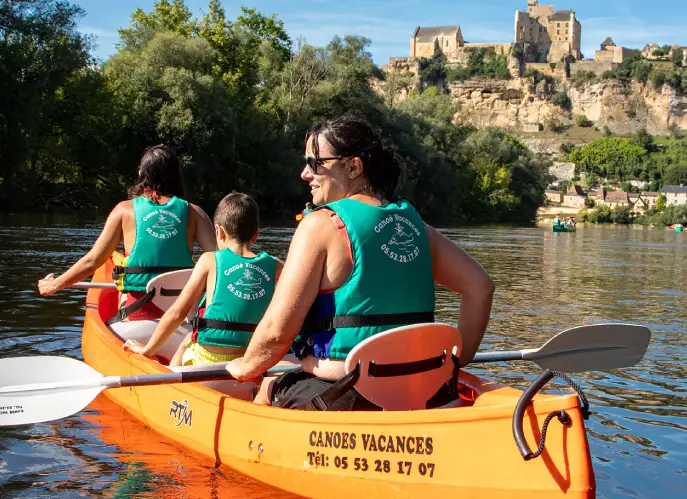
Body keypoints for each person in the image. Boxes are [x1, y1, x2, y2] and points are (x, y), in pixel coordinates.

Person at [224, 113, 495, 410]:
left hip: (348, 396)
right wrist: (459, 359)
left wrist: (247, 366)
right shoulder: (416, 226)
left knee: (267, 386)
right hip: (426, 391)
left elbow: (277, 331)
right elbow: (480, 287)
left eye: (315, 163)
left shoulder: (321, 225)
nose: (305, 173)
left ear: (353, 166)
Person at [37, 145, 215, 337]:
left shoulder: (123, 210)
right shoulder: (195, 213)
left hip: (137, 322)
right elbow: (220, 262)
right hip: (182, 324)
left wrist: (54, 285)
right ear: (177, 176)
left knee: (121, 293)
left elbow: (93, 261)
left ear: (141, 174)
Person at [125, 192, 283, 366]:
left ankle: (171, 379)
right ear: (255, 235)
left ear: (219, 231)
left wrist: (147, 350)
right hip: (249, 359)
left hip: (207, 359)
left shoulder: (209, 260)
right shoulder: (276, 265)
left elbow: (177, 312)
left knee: (187, 341)